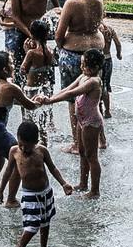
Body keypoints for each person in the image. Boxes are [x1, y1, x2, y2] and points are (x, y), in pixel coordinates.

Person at [0, 51, 41, 207]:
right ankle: (10, 199)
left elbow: (4, 102)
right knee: (19, 157)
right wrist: (40, 100)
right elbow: (30, 106)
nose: (13, 65)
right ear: (5, 69)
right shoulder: (11, 87)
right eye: (11, 63)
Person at [1, 120, 74, 247]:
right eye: (21, 144)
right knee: (32, 225)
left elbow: (53, 168)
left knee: (46, 221)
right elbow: (8, 172)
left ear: (36, 142)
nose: (23, 148)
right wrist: (1, 190)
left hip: (45, 192)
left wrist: (64, 183)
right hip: (29, 195)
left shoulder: (42, 151)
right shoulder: (14, 151)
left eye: (27, 146)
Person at [41, 48, 107, 197]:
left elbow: (72, 94)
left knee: (92, 156)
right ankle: (83, 183)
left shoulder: (94, 81)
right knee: (82, 152)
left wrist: (50, 101)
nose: (82, 67)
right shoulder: (83, 76)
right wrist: (48, 98)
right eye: (82, 64)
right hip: (81, 120)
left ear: (96, 67)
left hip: (91, 122)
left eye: (85, 65)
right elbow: (67, 88)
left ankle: (95, 190)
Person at [54, 0, 105, 153]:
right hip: (97, 50)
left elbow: (60, 35)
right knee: (94, 96)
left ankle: (77, 143)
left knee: (73, 99)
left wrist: (58, 47)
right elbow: (98, 20)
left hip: (75, 52)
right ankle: (101, 140)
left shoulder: (71, 3)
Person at [6, 0, 58, 77]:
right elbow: (15, 16)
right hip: (23, 31)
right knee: (20, 68)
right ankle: (19, 92)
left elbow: (56, 10)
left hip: (41, 32)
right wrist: (30, 34)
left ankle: (47, 95)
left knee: (46, 68)